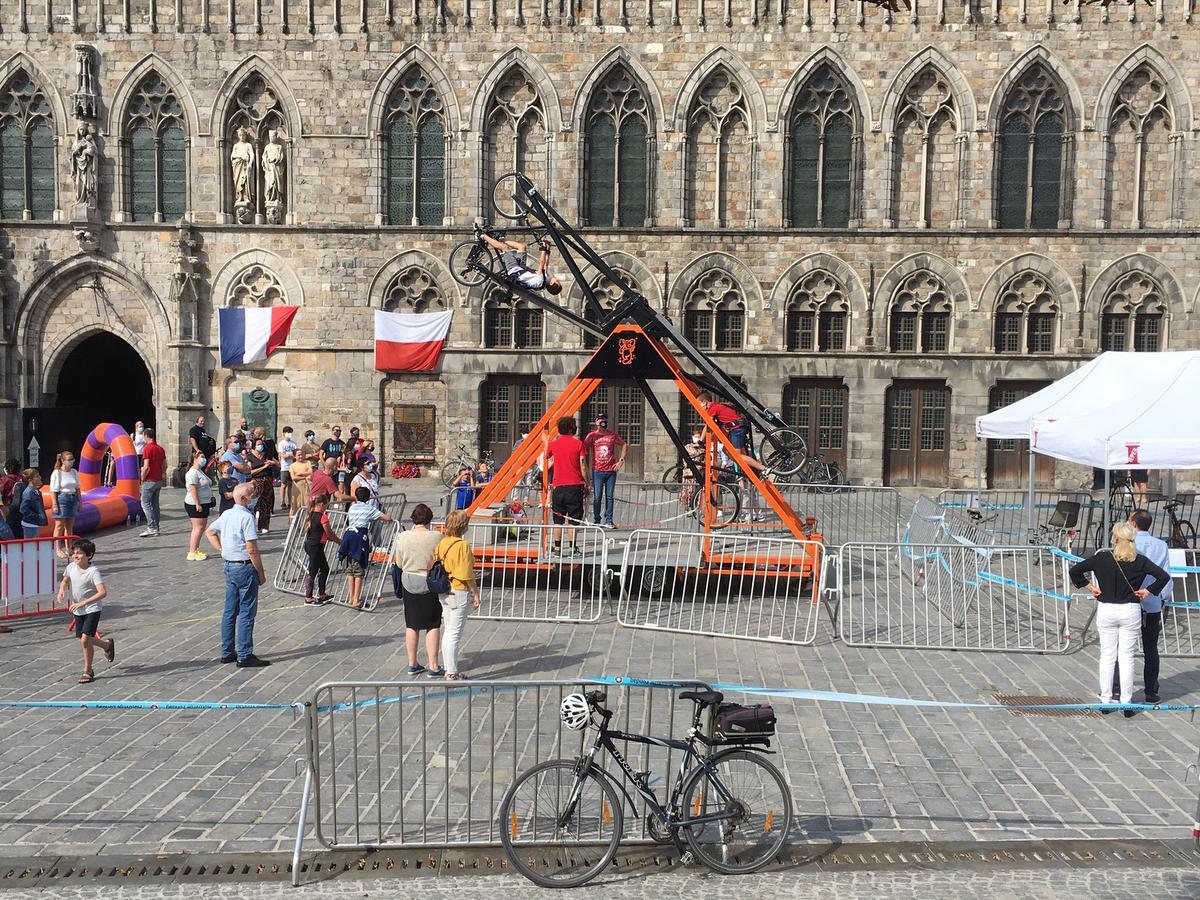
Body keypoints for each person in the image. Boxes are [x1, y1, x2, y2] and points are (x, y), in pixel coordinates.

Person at [1068, 522, 1170, 716]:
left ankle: (1106, 699)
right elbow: (1163, 576)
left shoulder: (1102, 558)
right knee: (1127, 657)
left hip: (1107, 608)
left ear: (1114, 539)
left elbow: (1075, 570)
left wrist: (1089, 586)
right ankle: (1127, 701)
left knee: (1107, 655)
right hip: (1130, 609)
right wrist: (1148, 591)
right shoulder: (1140, 560)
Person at [206, 482, 269, 668]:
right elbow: (251, 549)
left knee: (229, 611)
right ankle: (244, 654)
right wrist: (261, 571)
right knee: (246, 612)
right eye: (252, 494)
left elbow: (210, 532)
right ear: (243, 498)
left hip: (229, 566)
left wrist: (222, 550)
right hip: (244, 567)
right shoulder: (246, 517)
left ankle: (227, 651)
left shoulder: (227, 514)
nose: (254, 497)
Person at [1113, 509, 1174, 704]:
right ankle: (1150, 690)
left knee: (1120, 647)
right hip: (1152, 601)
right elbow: (1166, 573)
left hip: (1128, 599)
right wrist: (1162, 598)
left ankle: (1115, 688)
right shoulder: (1161, 545)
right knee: (1150, 648)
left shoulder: (1127, 543)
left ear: (1133, 523)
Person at [393, 503, 444, 677]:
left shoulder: (402, 536)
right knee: (432, 623)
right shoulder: (437, 536)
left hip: (408, 579)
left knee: (412, 624)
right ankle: (433, 665)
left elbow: (398, 563)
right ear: (429, 519)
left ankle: (412, 663)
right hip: (428, 580)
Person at [56, 538, 114, 684]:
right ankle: (106, 645)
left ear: (89, 555)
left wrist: (84, 602)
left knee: (85, 639)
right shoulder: (70, 567)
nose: (75, 556)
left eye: (79, 553)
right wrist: (62, 590)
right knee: (83, 638)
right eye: (74, 553)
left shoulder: (93, 571)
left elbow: (102, 592)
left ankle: (88, 671)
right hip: (78, 609)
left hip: (92, 608)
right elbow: (65, 579)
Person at [435, 510, 479, 680]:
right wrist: (475, 593)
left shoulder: (443, 542)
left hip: (444, 588)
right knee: (454, 632)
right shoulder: (463, 546)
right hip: (458, 589)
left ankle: (448, 667)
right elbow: (467, 574)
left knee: (448, 630)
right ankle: (451, 671)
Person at [338, 486, 393, 609]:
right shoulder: (369, 508)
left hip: (348, 536)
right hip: (359, 538)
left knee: (350, 569)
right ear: (368, 498)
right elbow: (386, 518)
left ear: (356, 497)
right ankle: (356, 600)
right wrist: (389, 516)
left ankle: (351, 597)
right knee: (358, 571)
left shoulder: (352, 507)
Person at [546, 417, 588, 556]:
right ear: (571, 428)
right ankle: (573, 548)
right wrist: (586, 482)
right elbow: (582, 465)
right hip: (574, 485)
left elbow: (546, 456)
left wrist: (546, 442)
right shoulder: (578, 444)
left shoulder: (554, 444)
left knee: (558, 520)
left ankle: (557, 548)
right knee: (573, 520)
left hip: (558, 486)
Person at [480, 232, 563, 294]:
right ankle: (500, 239)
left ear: (552, 283)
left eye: (557, 281)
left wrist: (543, 249)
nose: (558, 279)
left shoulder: (540, 281)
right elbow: (545, 265)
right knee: (521, 247)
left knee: (504, 247)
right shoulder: (544, 279)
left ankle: (482, 236)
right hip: (521, 267)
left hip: (514, 270)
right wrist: (547, 251)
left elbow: (541, 263)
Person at [583, 416, 626, 528]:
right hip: (598, 470)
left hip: (611, 470)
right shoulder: (592, 436)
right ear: (596, 422)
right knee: (597, 496)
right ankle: (597, 520)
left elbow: (624, 444)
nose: (603, 422)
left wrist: (621, 460)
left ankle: (609, 520)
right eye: (600, 420)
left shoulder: (611, 435)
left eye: (605, 420)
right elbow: (583, 448)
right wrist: (584, 463)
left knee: (609, 496)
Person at [302, 493, 337, 605]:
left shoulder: (311, 514)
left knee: (325, 568)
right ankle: (308, 597)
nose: (327, 507)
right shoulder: (323, 517)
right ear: (322, 504)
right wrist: (340, 541)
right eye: (326, 505)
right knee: (313, 570)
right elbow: (329, 534)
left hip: (310, 545)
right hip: (316, 546)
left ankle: (322, 594)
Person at [184, 448, 215, 561]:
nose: (204, 459)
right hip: (195, 503)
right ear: (195, 459)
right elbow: (193, 489)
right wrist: (198, 504)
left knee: (201, 527)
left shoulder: (200, 471)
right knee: (198, 527)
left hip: (205, 502)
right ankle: (192, 551)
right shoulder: (192, 473)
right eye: (201, 457)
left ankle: (196, 548)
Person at [50, 450, 81, 559]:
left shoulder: (74, 472)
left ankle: (69, 547)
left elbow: (77, 488)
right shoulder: (57, 472)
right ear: (63, 461)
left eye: (72, 459)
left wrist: (80, 502)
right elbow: (53, 490)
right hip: (62, 498)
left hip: (72, 498)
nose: (71, 462)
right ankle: (58, 548)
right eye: (68, 460)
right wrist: (54, 504)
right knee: (59, 525)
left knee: (69, 526)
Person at [138, 428, 166, 537]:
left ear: (146, 436)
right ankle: (156, 527)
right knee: (155, 504)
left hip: (149, 480)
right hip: (158, 480)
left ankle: (151, 527)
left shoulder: (147, 449)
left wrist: (142, 479)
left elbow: (146, 467)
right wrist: (162, 474)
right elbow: (165, 464)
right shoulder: (160, 449)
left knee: (145, 503)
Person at [246, 435, 276, 534]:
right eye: (258, 444)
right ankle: (251, 525)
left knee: (266, 503)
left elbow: (279, 464)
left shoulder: (266, 455)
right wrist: (263, 467)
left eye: (261, 444)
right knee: (254, 504)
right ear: (254, 446)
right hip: (256, 481)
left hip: (267, 480)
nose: (260, 446)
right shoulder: (250, 456)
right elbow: (250, 472)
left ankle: (264, 526)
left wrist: (272, 463)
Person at [19, 469, 47, 539]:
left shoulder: (36, 491)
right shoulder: (28, 492)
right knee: (30, 546)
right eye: (37, 476)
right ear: (30, 480)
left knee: (34, 546)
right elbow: (23, 509)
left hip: (34, 523)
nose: (40, 477)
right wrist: (36, 516)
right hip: (30, 524)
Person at [288, 449, 314, 522]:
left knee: (307, 504)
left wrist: (299, 474)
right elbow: (293, 477)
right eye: (298, 455)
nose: (300, 456)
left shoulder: (307, 462)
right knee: (296, 505)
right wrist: (305, 476)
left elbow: (311, 472)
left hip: (307, 488)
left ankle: (307, 522)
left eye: (302, 454)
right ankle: (294, 523)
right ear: (294, 456)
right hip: (297, 489)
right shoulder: (292, 465)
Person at [1, 459, 25, 534]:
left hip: (8, 507)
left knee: (9, 529)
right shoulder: (22, 479)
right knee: (19, 530)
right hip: (21, 507)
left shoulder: (4, 480)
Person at [278, 426, 298, 512]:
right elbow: (283, 456)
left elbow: (296, 455)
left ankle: (290, 502)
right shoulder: (281, 443)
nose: (289, 434)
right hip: (284, 467)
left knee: (291, 485)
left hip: (292, 466)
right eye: (288, 433)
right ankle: (282, 501)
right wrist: (290, 455)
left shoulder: (293, 444)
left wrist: (290, 455)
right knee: (283, 485)